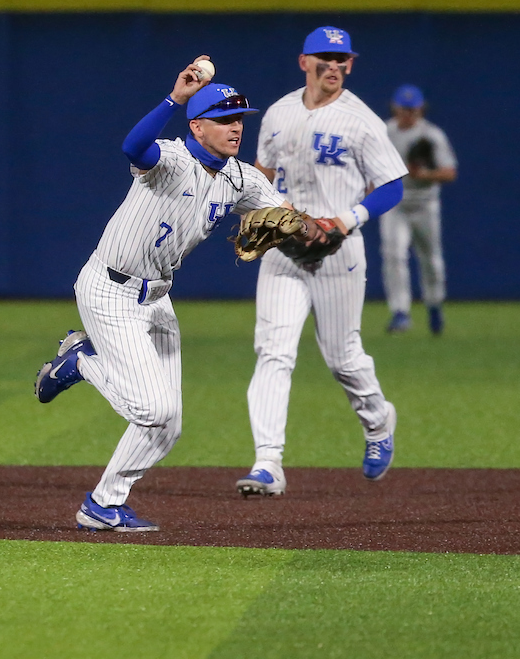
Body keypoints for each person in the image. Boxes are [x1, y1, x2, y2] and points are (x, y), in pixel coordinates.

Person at [33, 56, 289, 531]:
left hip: (157, 299)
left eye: (239, 120)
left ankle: (102, 504)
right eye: (224, 120)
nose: (236, 128)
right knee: (155, 408)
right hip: (110, 288)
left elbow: (286, 216)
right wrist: (175, 96)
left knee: (168, 425)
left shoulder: (241, 178)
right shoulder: (170, 159)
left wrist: (314, 228)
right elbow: (133, 145)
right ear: (197, 125)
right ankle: (80, 361)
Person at [236, 26, 408, 497]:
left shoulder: (362, 120)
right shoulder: (278, 114)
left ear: (350, 65)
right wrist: (255, 209)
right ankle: (267, 463)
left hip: (339, 252)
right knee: (273, 351)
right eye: (324, 58)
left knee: (343, 358)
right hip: (284, 252)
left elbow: (392, 184)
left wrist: (347, 218)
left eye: (341, 59)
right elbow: (263, 176)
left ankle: (377, 424)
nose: (333, 66)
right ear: (304, 61)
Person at [380, 84, 458, 335]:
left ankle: (434, 305)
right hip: (396, 203)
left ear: (421, 109)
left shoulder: (432, 135)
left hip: (425, 204)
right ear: (395, 108)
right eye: (404, 109)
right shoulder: (385, 132)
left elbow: (449, 172)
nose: (409, 114)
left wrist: (425, 174)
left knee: (431, 260)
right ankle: (400, 312)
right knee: (394, 255)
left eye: (413, 110)